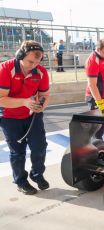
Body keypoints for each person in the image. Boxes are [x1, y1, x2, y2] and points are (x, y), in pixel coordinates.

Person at [0, 40, 50, 195]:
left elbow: (45, 95)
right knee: (17, 152)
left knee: (40, 147)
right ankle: (21, 181)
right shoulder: (5, 69)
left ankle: (37, 174)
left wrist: (42, 104)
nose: (33, 65)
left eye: (37, 62)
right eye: (30, 61)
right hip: (9, 117)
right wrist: (23, 102)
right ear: (19, 54)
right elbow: (1, 99)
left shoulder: (41, 72)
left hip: (32, 115)